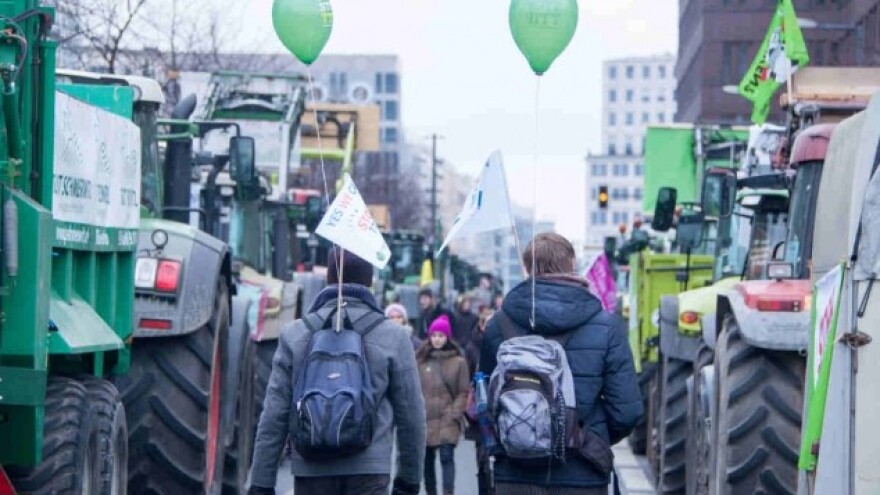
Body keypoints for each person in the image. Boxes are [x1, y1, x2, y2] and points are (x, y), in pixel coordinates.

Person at [248, 248, 426, 495]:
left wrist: (261, 483)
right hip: (369, 473)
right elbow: (412, 416)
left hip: (311, 471)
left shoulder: (295, 334)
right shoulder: (393, 336)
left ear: (329, 278)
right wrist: (409, 480)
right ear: (370, 280)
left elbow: (274, 415)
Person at [479, 233, 643, 495]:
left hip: (515, 475)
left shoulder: (499, 325)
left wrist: (522, 438)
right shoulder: (605, 326)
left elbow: (484, 401)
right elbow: (627, 411)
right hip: (582, 474)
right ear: (571, 265)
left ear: (527, 267)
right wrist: (582, 438)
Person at [417, 314, 469, 495]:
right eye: (434, 335)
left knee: (447, 458)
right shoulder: (421, 362)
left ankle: (448, 492)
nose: (437, 339)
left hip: (448, 418)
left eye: (441, 335)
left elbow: (463, 391)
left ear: (447, 337)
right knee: (426, 461)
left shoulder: (459, 362)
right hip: (426, 419)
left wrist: (455, 413)